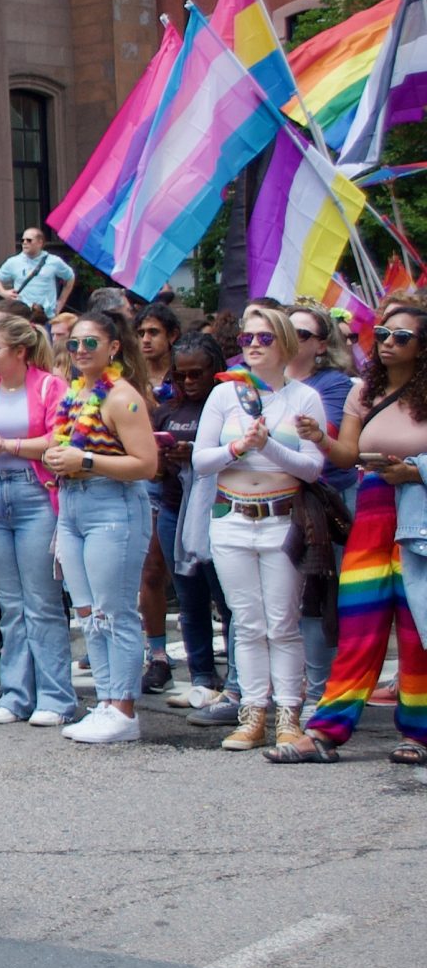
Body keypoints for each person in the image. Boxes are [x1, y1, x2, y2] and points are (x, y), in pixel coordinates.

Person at [274, 302, 427, 764]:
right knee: (360, 623)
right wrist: (320, 438)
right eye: (382, 333)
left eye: (401, 336)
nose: (386, 342)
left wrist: (416, 471)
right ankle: (325, 731)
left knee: (416, 625)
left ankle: (418, 735)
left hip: (419, 514)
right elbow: (347, 457)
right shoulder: (364, 391)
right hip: (374, 510)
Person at [188, 307, 326, 752]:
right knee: (246, 622)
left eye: (263, 339)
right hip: (232, 518)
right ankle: (252, 714)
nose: (252, 345)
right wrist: (238, 447)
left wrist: (268, 446)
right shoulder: (225, 394)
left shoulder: (304, 397)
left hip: (282, 520)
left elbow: (311, 468)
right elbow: (200, 460)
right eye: (247, 338)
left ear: (284, 344)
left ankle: (289, 715)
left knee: (283, 622)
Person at [44, 310, 160, 744]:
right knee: (88, 611)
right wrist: (58, 457)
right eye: (73, 344)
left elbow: (146, 464)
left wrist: (85, 460)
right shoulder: (77, 394)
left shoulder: (122, 397)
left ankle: (124, 708)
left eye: (90, 343)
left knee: (115, 611)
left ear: (113, 347)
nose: (79, 351)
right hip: (73, 505)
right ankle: (107, 700)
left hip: (112, 505)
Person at [0, 314, 75, 726]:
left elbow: (61, 438)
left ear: (20, 352)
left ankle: (56, 697)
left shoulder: (49, 385)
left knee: (41, 602)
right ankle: (17, 693)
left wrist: (7, 444)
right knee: (10, 605)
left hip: (35, 493)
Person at [288, 299, 361, 709]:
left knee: (318, 597)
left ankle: (321, 696)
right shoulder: (254, 380)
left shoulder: (335, 384)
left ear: (320, 345)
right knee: (274, 602)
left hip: (324, 500)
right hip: (273, 498)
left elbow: (326, 441)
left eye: (303, 333)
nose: (289, 338)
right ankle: (267, 694)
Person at [151, 335, 228, 702]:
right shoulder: (166, 411)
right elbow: (150, 473)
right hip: (173, 508)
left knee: (226, 598)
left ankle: (238, 681)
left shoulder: (230, 406)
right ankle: (201, 676)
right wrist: (164, 460)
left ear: (216, 371)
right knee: (188, 596)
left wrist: (198, 454)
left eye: (197, 373)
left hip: (218, 510)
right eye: (180, 376)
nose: (188, 382)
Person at [133, 301, 183, 692]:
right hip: (145, 479)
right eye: (141, 333)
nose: (146, 340)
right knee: (150, 570)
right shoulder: (130, 378)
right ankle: (158, 654)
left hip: (184, 478)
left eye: (154, 332)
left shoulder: (186, 374)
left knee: (185, 570)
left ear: (172, 337)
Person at [0, 227, 75, 317]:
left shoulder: (54, 261)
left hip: (46, 315)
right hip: (21, 315)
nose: (24, 243)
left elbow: (70, 277)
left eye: (29, 240)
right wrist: (3, 292)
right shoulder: (13, 262)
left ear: (40, 242)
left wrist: (61, 302)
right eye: (22, 240)